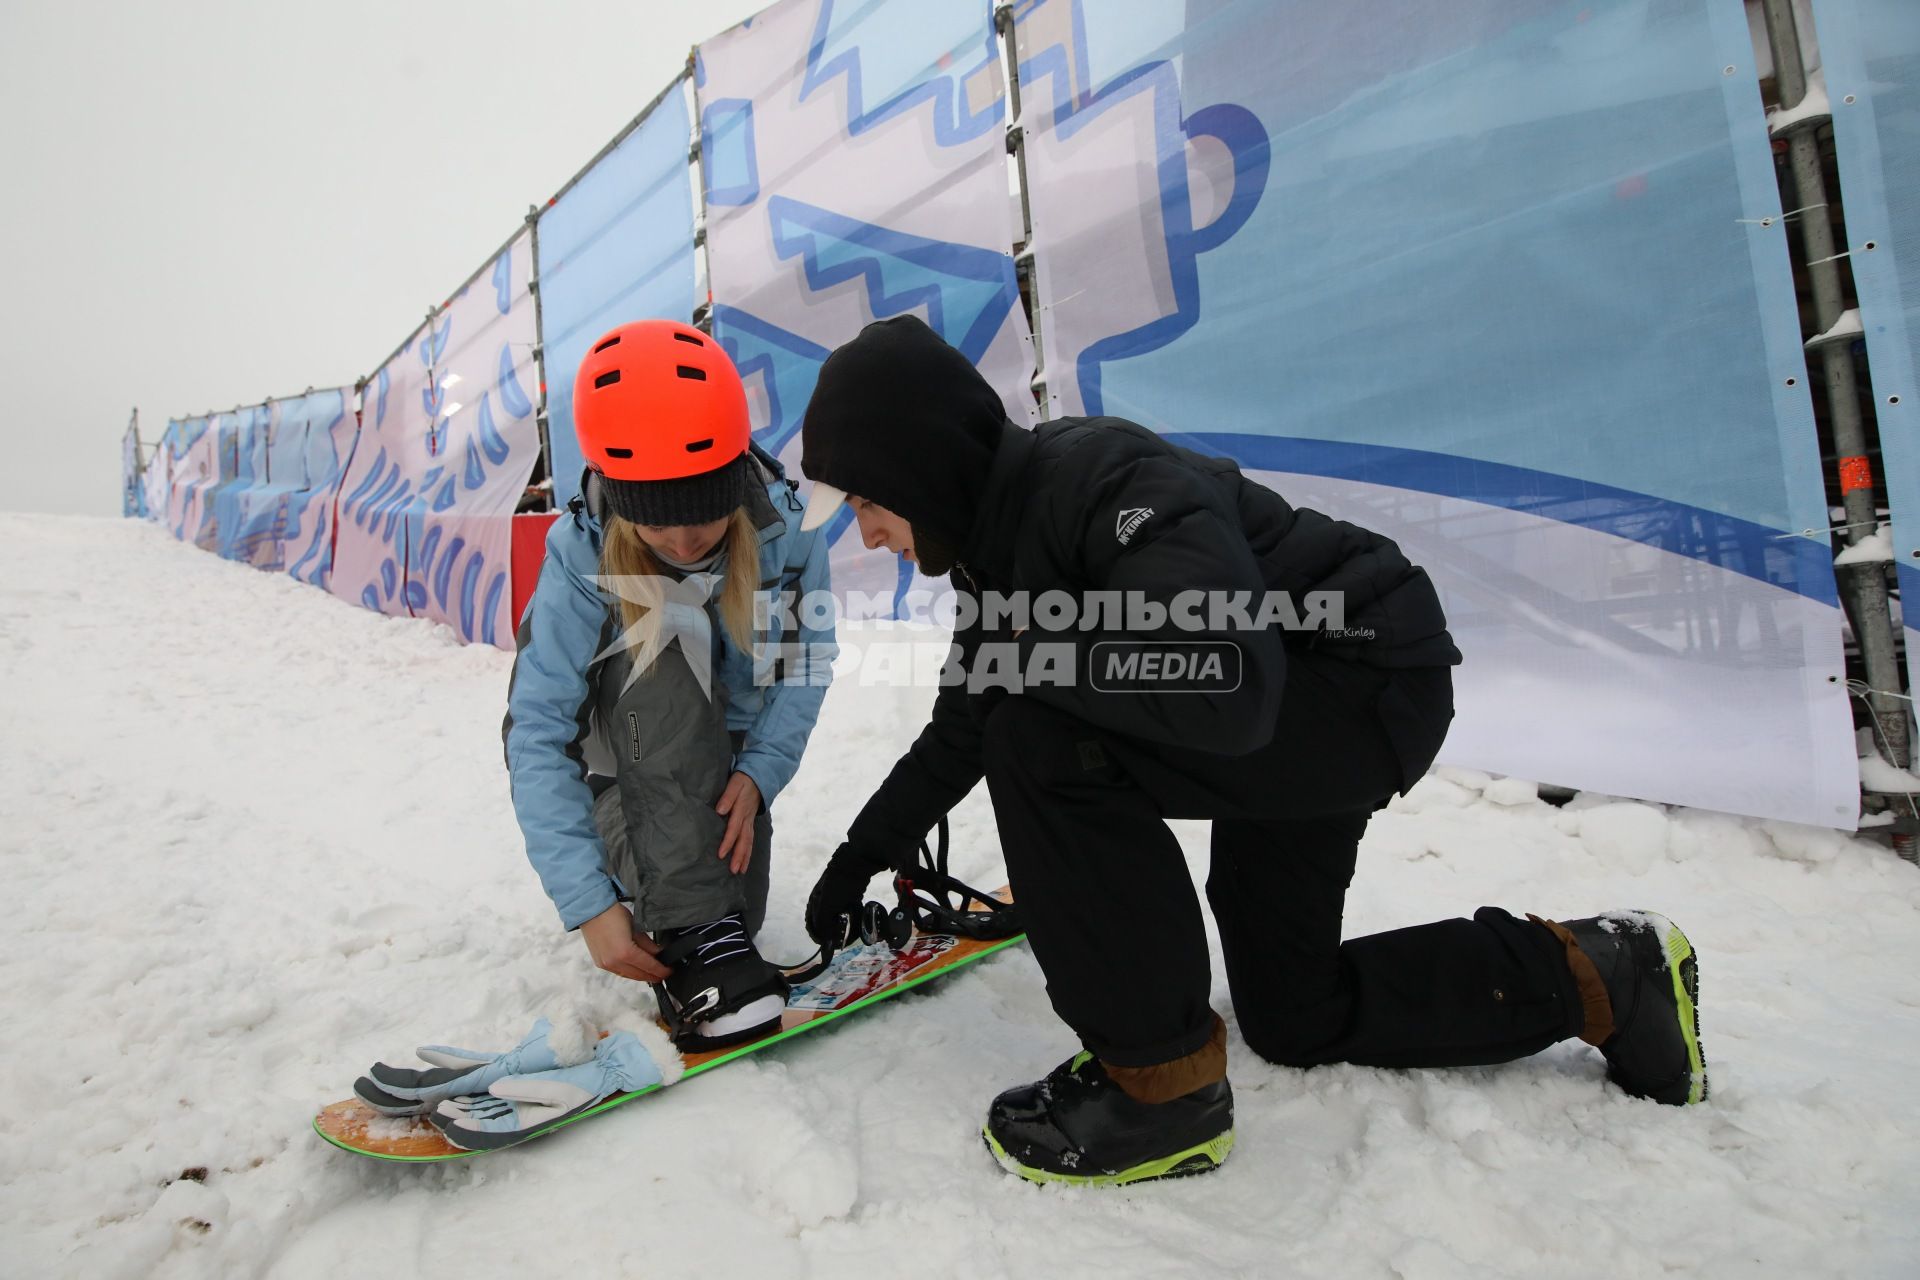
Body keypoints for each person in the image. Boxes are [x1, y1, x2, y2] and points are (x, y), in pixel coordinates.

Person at [796, 316, 1706, 1187]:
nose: (868, 533)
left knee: (1037, 737)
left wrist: (1028, 655)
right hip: (1300, 704)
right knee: (1294, 1012)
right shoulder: (996, 556)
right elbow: (965, 719)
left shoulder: (1106, 480)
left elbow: (1224, 686)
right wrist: (861, 857)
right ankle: (1603, 972)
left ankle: (1160, 1091)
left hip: (1359, 680)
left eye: (870, 502)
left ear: (924, 466)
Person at [503, 319, 835, 1048]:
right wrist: (589, 904)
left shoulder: (787, 526)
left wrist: (757, 774)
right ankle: (695, 921)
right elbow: (536, 729)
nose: (686, 544)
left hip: (719, 770)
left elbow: (807, 659)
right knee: (668, 629)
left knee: (733, 909)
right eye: (657, 526)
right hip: (627, 763)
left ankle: (708, 920)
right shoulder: (580, 558)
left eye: (706, 516)